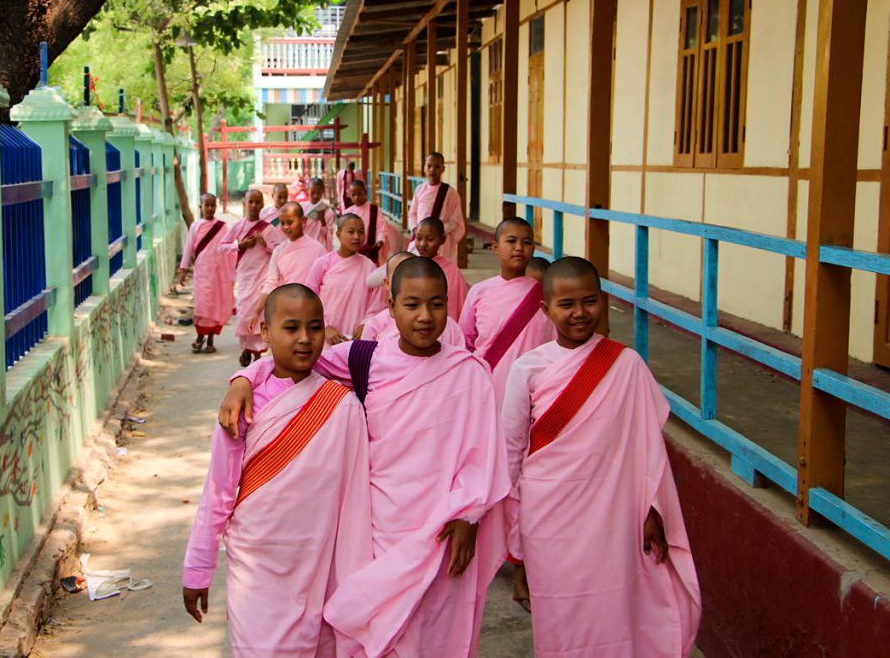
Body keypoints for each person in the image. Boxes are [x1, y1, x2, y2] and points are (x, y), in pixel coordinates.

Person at [221, 257, 509, 658]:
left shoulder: (470, 372)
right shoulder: (367, 359)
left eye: (437, 304)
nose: (425, 316)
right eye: (411, 304)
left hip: (444, 527)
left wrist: (470, 515)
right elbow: (292, 361)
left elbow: (485, 453)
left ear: (449, 305)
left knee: (437, 630)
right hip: (379, 526)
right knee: (380, 630)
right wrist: (242, 379)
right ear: (390, 307)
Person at [501, 257, 701, 657]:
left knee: (615, 610)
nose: (579, 313)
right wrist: (514, 550)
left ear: (603, 301)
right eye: (566, 304)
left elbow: (647, 447)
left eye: (589, 301)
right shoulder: (528, 369)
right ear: (546, 310)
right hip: (548, 516)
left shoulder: (626, 364)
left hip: (614, 515)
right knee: (560, 617)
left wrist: (652, 509)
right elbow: (509, 452)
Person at [182, 284, 372, 657]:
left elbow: (355, 493)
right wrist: (197, 569)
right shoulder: (245, 404)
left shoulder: (342, 400)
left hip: (320, 559)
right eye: (291, 328)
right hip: (256, 560)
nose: (305, 339)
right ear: (265, 332)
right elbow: (219, 491)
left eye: (315, 328)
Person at [459, 216, 555, 406]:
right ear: (495, 247)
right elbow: (465, 342)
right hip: (486, 386)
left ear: (533, 250)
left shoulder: (546, 297)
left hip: (533, 390)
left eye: (526, 242)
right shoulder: (479, 292)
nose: (519, 247)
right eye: (511, 241)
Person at [218, 189, 282, 366]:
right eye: (250, 202)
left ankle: (258, 356)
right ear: (244, 203)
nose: (254, 205)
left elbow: (279, 251)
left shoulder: (268, 228)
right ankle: (247, 348)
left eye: (257, 202)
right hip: (245, 279)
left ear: (262, 205)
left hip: (262, 279)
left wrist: (265, 243)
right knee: (245, 314)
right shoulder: (238, 227)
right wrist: (240, 245)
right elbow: (221, 247)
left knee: (260, 315)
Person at [305, 213, 384, 345]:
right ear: (338, 234)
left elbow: (376, 303)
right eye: (351, 232)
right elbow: (308, 298)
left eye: (361, 232)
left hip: (356, 336)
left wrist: (366, 324)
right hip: (325, 334)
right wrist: (324, 326)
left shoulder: (369, 266)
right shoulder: (323, 264)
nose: (356, 237)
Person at [359, 251, 466, 346]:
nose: (425, 317)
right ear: (387, 283)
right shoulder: (375, 326)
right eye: (412, 305)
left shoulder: (450, 328)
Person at [251, 202, 327, 328]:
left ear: (303, 221)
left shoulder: (318, 249)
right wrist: (257, 311)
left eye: (290, 222)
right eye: (282, 223)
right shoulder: (279, 250)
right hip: (286, 307)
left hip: (311, 308)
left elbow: (324, 284)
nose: (286, 227)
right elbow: (271, 283)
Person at [178, 193, 235, 353]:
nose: (210, 208)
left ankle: (210, 340)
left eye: (212, 205)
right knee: (202, 306)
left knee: (215, 306)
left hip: (218, 274)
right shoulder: (196, 226)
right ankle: (199, 337)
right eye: (206, 205)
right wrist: (183, 270)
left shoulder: (222, 227)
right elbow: (189, 248)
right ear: (200, 207)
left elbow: (229, 248)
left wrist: (234, 269)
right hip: (202, 273)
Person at [408, 152, 466, 264]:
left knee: (440, 271)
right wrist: (416, 230)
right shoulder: (420, 189)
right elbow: (412, 213)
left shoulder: (450, 193)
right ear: (424, 168)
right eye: (429, 166)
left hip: (440, 242)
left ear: (443, 169)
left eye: (437, 166)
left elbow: (455, 220)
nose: (432, 169)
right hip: (420, 239)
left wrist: (437, 232)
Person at [414, 216, 469, 321]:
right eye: (419, 238)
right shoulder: (409, 267)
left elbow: (455, 307)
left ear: (442, 239)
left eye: (430, 239)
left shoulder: (451, 271)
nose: (422, 244)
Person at [341, 179, 396, 265]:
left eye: (359, 194)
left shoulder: (374, 210)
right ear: (350, 196)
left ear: (365, 193)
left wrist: (380, 240)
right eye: (353, 195)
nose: (356, 197)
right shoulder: (347, 213)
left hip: (371, 250)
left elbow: (381, 228)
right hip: (353, 250)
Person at [303, 177, 336, 252]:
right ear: (307, 191)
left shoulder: (328, 211)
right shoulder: (302, 208)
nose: (315, 196)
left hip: (320, 246)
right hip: (305, 245)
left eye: (318, 193)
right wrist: (302, 222)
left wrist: (323, 221)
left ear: (323, 192)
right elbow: (297, 230)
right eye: (313, 193)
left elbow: (328, 235)